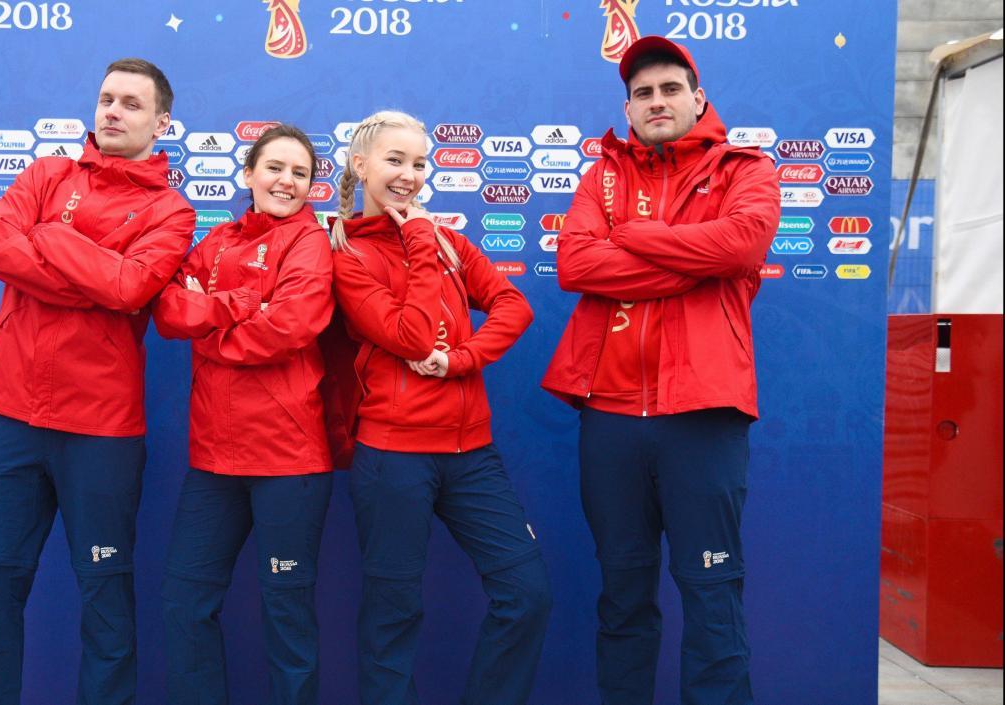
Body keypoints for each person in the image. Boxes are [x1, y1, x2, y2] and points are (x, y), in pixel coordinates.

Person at [542, 36, 780, 705]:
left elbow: (741, 244)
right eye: (643, 92)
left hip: (703, 414)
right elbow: (577, 264)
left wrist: (635, 239)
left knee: (711, 591)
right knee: (622, 594)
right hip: (611, 417)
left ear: (697, 97)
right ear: (629, 106)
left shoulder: (746, 169)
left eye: (670, 88)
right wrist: (689, 260)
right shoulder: (604, 176)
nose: (656, 101)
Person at [0, 58, 195, 705]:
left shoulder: (171, 211)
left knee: (106, 596)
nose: (113, 111)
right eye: (106, 98)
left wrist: (48, 237)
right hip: (13, 419)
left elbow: (130, 288)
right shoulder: (45, 174)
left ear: (162, 121)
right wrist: (94, 271)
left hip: (101, 432)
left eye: (131, 103)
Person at [329, 110, 552, 705]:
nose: (409, 175)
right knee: (393, 613)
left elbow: (513, 306)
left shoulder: (449, 241)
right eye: (394, 160)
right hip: (393, 458)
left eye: (419, 163)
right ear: (360, 165)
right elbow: (411, 335)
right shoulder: (346, 252)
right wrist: (420, 242)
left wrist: (463, 360)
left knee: (525, 592)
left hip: (471, 454)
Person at [151, 124, 335, 705]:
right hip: (213, 460)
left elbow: (290, 325)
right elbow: (168, 309)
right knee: (185, 603)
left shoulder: (309, 242)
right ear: (249, 173)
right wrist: (238, 305)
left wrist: (212, 332)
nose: (286, 181)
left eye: (299, 173)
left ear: (311, 187)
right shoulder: (218, 242)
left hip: (289, 460)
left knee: (287, 615)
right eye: (274, 167)